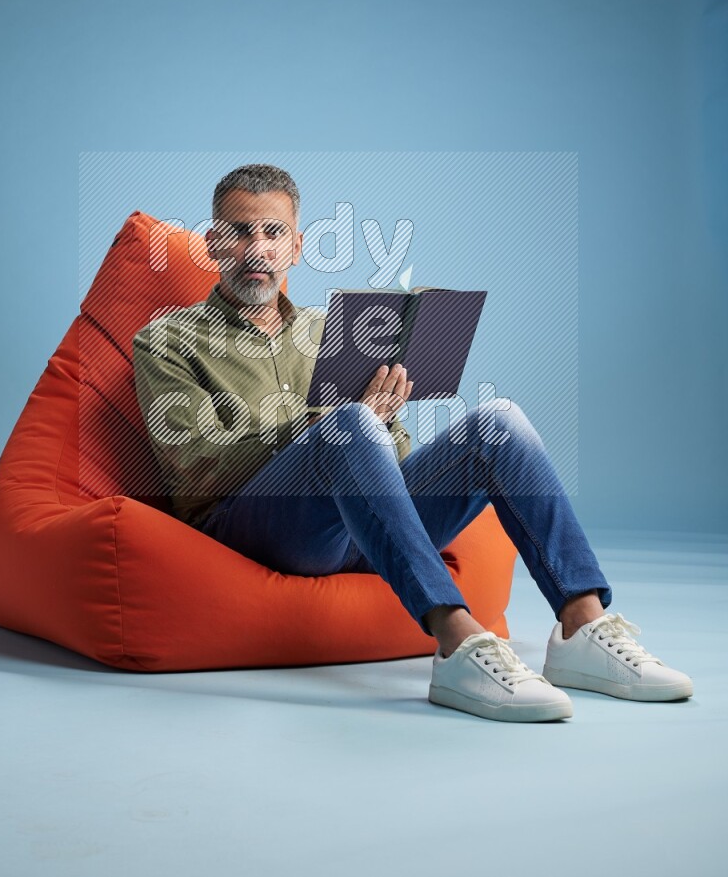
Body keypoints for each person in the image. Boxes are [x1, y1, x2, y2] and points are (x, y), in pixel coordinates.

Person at [133, 163, 693, 723]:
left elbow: (389, 466)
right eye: (239, 232)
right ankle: (457, 643)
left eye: (273, 232)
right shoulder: (166, 340)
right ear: (213, 243)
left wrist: (383, 420)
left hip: (364, 530)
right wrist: (333, 423)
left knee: (501, 421)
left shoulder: (336, 330)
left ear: (297, 246)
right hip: (255, 529)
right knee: (347, 424)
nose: (257, 249)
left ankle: (583, 626)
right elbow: (198, 468)